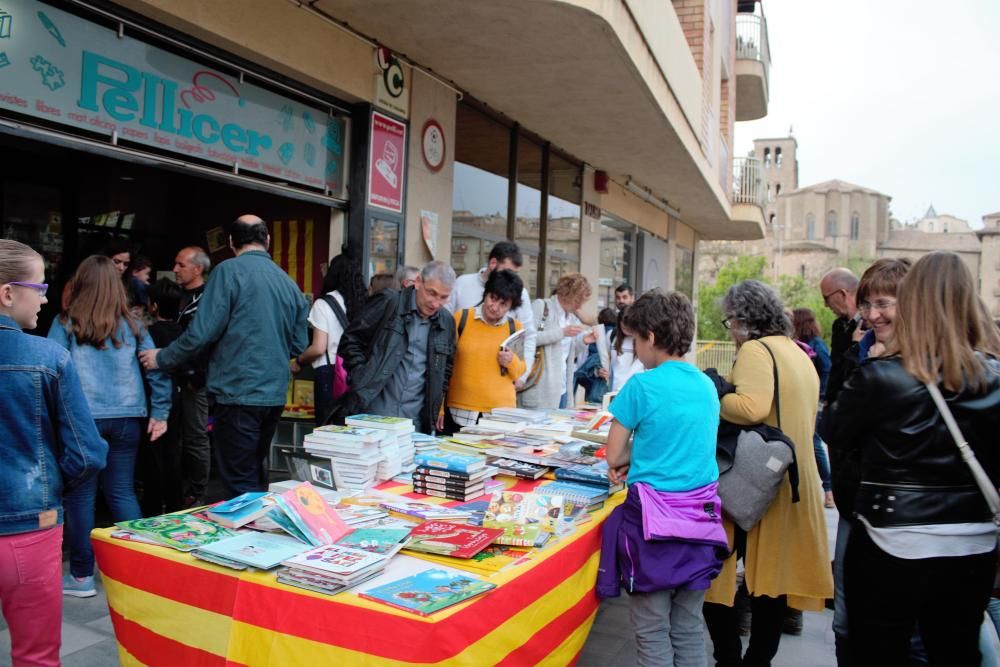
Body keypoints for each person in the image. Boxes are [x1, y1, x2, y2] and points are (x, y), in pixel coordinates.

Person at [822, 251, 1000, 666]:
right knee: (954, 650)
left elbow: (834, 429)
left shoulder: (883, 375)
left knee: (878, 649)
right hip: (973, 542)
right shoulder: (992, 377)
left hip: (892, 537)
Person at [703, 280, 833, 667]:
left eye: (730, 323)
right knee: (772, 581)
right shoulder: (796, 351)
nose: (732, 332)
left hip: (756, 481)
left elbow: (750, 408)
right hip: (791, 477)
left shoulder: (757, 350)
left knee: (717, 573)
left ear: (743, 321)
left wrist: (715, 393)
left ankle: (729, 657)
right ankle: (759, 659)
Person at [598, 289, 727, 666]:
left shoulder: (641, 385)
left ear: (651, 337)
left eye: (635, 339)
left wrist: (631, 457)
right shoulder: (706, 386)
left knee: (652, 628)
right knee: (688, 626)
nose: (634, 349)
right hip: (700, 522)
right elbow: (689, 442)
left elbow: (613, 454)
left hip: (653, 526)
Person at [140, 215, 308, 498]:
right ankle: (256, 533)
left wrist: (162, 358)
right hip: (274, 393)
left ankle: (247, 539)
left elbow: (201, 333)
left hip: (238, 391)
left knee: (239, 481)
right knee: (255, 472)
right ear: (267, 240)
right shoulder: (287, 282)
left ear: (230, 242)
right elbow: (299, 343)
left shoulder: (228, 272)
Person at [0, 240, 107, 667]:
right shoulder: (48, 357)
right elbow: (87, 454)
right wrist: (49, 486)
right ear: (7, 293)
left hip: (32, 519)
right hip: (31, 525)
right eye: (39, 286)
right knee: (37, 655)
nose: (46, 296)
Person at [48, 255, 172, 599]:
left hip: (82, 418)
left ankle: (82, 577)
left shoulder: (66, 322)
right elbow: (156, 368)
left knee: (81, 497)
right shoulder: (134, 325)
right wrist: (159, 412)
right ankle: (138, 572)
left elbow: (52, 370)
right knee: (122, 491)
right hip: (128, 416)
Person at [335, 261, 457, 433]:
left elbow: (445, 369)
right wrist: (360, 376)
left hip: (414, 421)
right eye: (432, 293)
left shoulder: (447, 322)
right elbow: (351, 340)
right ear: (418, 282)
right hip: (372, 412)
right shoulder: (389, 302)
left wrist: (436, 405)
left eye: (443, 297)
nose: (436, 303)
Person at [447, 241, 537, 394]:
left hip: (498, 386)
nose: (511, 277)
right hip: (460, 385)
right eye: (508, 271)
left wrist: (523, 375)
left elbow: (528, 335)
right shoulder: (463, 283)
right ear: (493, 262)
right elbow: (446, 324)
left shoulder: (519, 293)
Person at [291, 252, 368, 425]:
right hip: (358, 373)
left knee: (328, 431)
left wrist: (298, 361)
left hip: (330, 374)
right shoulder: (364, 302)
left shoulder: (323, 304)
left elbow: (318, 348)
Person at [446, 269, 526, 428]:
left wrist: (511, 361)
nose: (495, 307)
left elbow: (519, 371)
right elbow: (444, 365)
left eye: (503, 304)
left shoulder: (514, 327)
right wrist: (440, 408)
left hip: (501, 412)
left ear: (511, 306)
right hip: (460, 410)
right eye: (493, 298)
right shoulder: (462, 318)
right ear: (486, 293)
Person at [138, 278, 185, 516]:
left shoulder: (149, 334)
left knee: (153, 455)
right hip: (179, 397)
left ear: (153, 306)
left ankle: (153, 506)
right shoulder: (183, 333)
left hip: (155, 400)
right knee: (173, 451)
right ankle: (175, 503)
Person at [171, 246, 213, 507]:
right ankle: (174, 488)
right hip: (169, 376)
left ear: (198, 268)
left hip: (196, 378)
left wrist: (197, 375)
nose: (175, 269)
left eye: (181, 265)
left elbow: (208, 341)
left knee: (196, 435)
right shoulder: (173, 295)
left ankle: (197, 491)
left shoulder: (209, 298)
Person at [518, 272, 591, 410]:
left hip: (563, 388)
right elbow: (527, 340)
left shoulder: (570, 317)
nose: (579, 306)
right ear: (567, 294)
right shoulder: (541, 306)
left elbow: (566, 355)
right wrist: (562, 332)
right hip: (540, 389)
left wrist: (583, 342)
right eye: (578, 301)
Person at [791, 307, 834, 509]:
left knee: (814, 442)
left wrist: (820, 396)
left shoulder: (817, 345)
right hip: (802, 401)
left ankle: (828, 490)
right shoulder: (799, 345)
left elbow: (828, 370)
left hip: (815, 402)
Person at [819, 268, 863, 406]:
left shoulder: (871, 326)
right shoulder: (838, 325)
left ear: (842, 294)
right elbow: (835, 365)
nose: (825, 305)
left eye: (826, 298)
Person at [609, 307, 646, 393]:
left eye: (629, 324)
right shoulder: (612, 336)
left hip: (635, 389)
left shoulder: (643, 339)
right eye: (624, 324)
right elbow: (608, 360)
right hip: (614, 389)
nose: (626, 327)